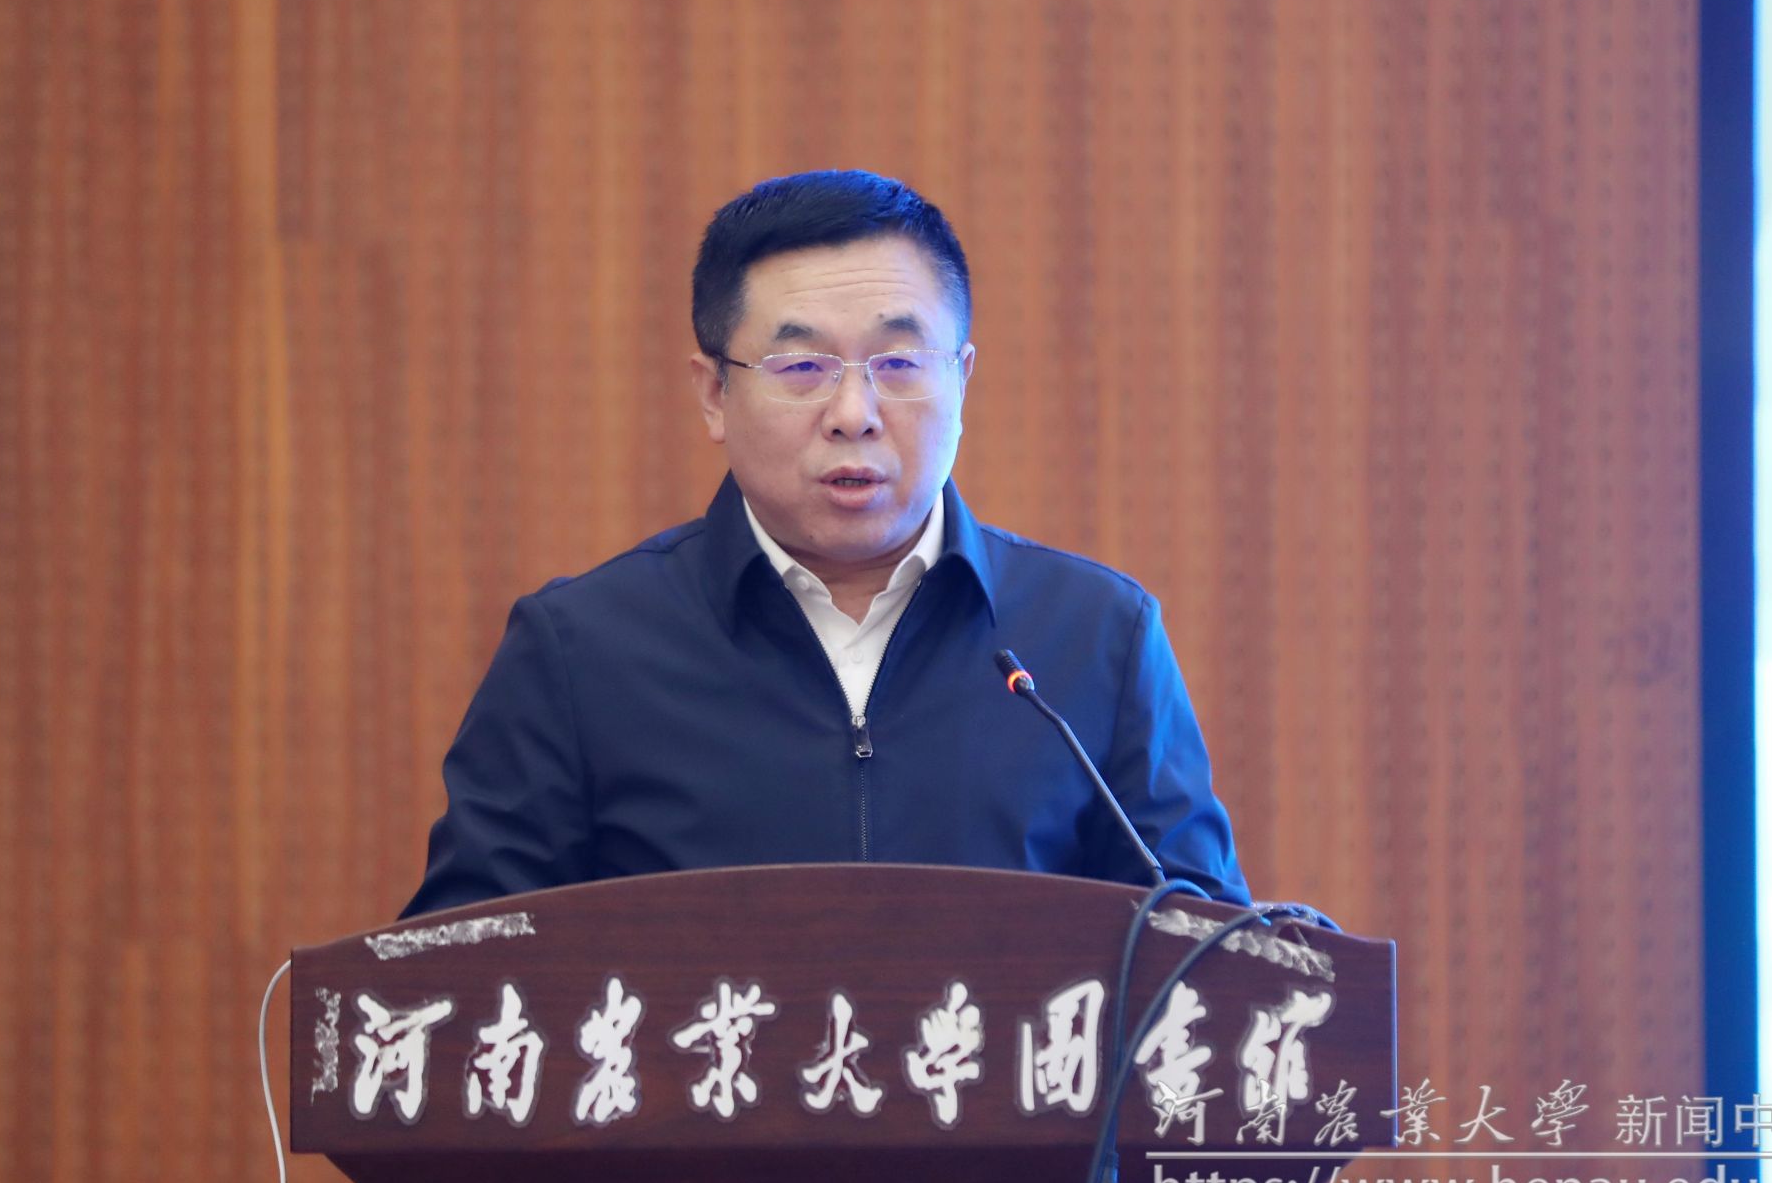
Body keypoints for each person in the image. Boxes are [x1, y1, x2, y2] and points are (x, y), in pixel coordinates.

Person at [401, 170, 1250, 918]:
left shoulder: (1098, 637)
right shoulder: (581, 651)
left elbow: (1210, 963)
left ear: (962, 379)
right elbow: (459, 976)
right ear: (713, 394)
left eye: (899, 363)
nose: (854, 413)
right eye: (801, 367)